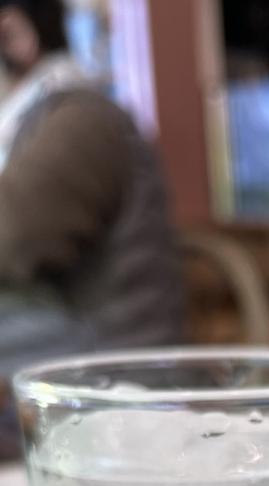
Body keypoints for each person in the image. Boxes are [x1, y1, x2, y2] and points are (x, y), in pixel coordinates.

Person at [0, 0, 184, 452]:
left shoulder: (81, 118)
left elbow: (12, 238)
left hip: (119, 392)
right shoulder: (33, 121)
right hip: (68, 376)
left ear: (14, 35)